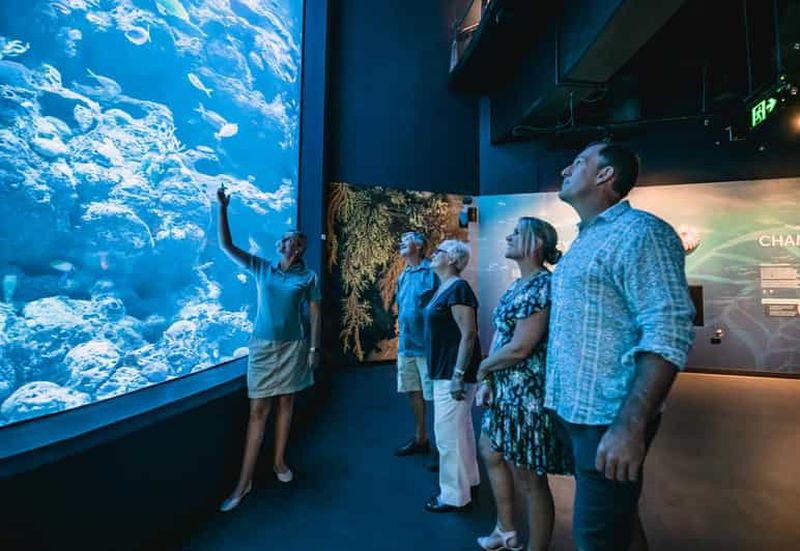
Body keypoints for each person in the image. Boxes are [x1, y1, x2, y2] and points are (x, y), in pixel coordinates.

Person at [545, 142, 695, 550]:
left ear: (605, 175)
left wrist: (631, 425)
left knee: (595, 539)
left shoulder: (642, 233)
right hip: (576, 412)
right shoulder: (586, 239)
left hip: (608, 418)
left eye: (578, 162)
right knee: (620, 523)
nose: (565, 169)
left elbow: (669, 330)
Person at [216, 184, 322, 512]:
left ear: (302, 249)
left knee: (287, 403)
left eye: (299, 242)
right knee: (258, 411)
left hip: (294, 347)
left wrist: (314, 350)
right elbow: (226, 246)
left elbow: (315, 315)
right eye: (289, 239)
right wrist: (222, 208)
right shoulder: (262, 268)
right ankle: (243, 483)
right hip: (263, 348)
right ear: (280, 245)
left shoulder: (309, 277)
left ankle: (278, 462)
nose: (294, 244)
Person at [474, 217, 573, 551]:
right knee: (489, 449)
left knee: (530, 479)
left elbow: (521, 347)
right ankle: (505, 529)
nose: (509, 237)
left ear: (536, 243)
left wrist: (483, 367)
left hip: (527, 397)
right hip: (506, 390)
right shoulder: (519, 285)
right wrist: (490, 377)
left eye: (517, 233)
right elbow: (504, 337)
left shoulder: (542, 285)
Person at [422, 239, 481, 513]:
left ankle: (454, 496)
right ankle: (470, 480)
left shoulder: (458, 288)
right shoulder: (444, 288)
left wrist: (458, 374)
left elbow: (469, 334)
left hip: (452, 373)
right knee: (460, 430)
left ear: (453, 260)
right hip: (445, 370)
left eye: (440, 251)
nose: (434, 254)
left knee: (446, 435)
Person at [394, 231, 438, 460]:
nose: (402, 241)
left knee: (435, 397)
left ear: (419, 246)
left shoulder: (433, 272)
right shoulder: (403, 275)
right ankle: (421, 438)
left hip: (428, 347)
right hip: (406, 346)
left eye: (407, 238)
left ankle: (439, 447)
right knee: (414, 391)